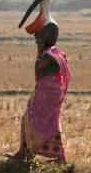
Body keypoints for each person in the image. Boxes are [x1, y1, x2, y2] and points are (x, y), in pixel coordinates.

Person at [14, 23, 70, 162]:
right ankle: (54, 154)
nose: (36, 41)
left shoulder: (47, 56)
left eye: (38, 39)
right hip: (53, 92)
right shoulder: (57, 52)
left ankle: (27, 152)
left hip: (46, 92)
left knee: (32, 118)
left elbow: (38, 72)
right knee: (50, 121)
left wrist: (39, 51)